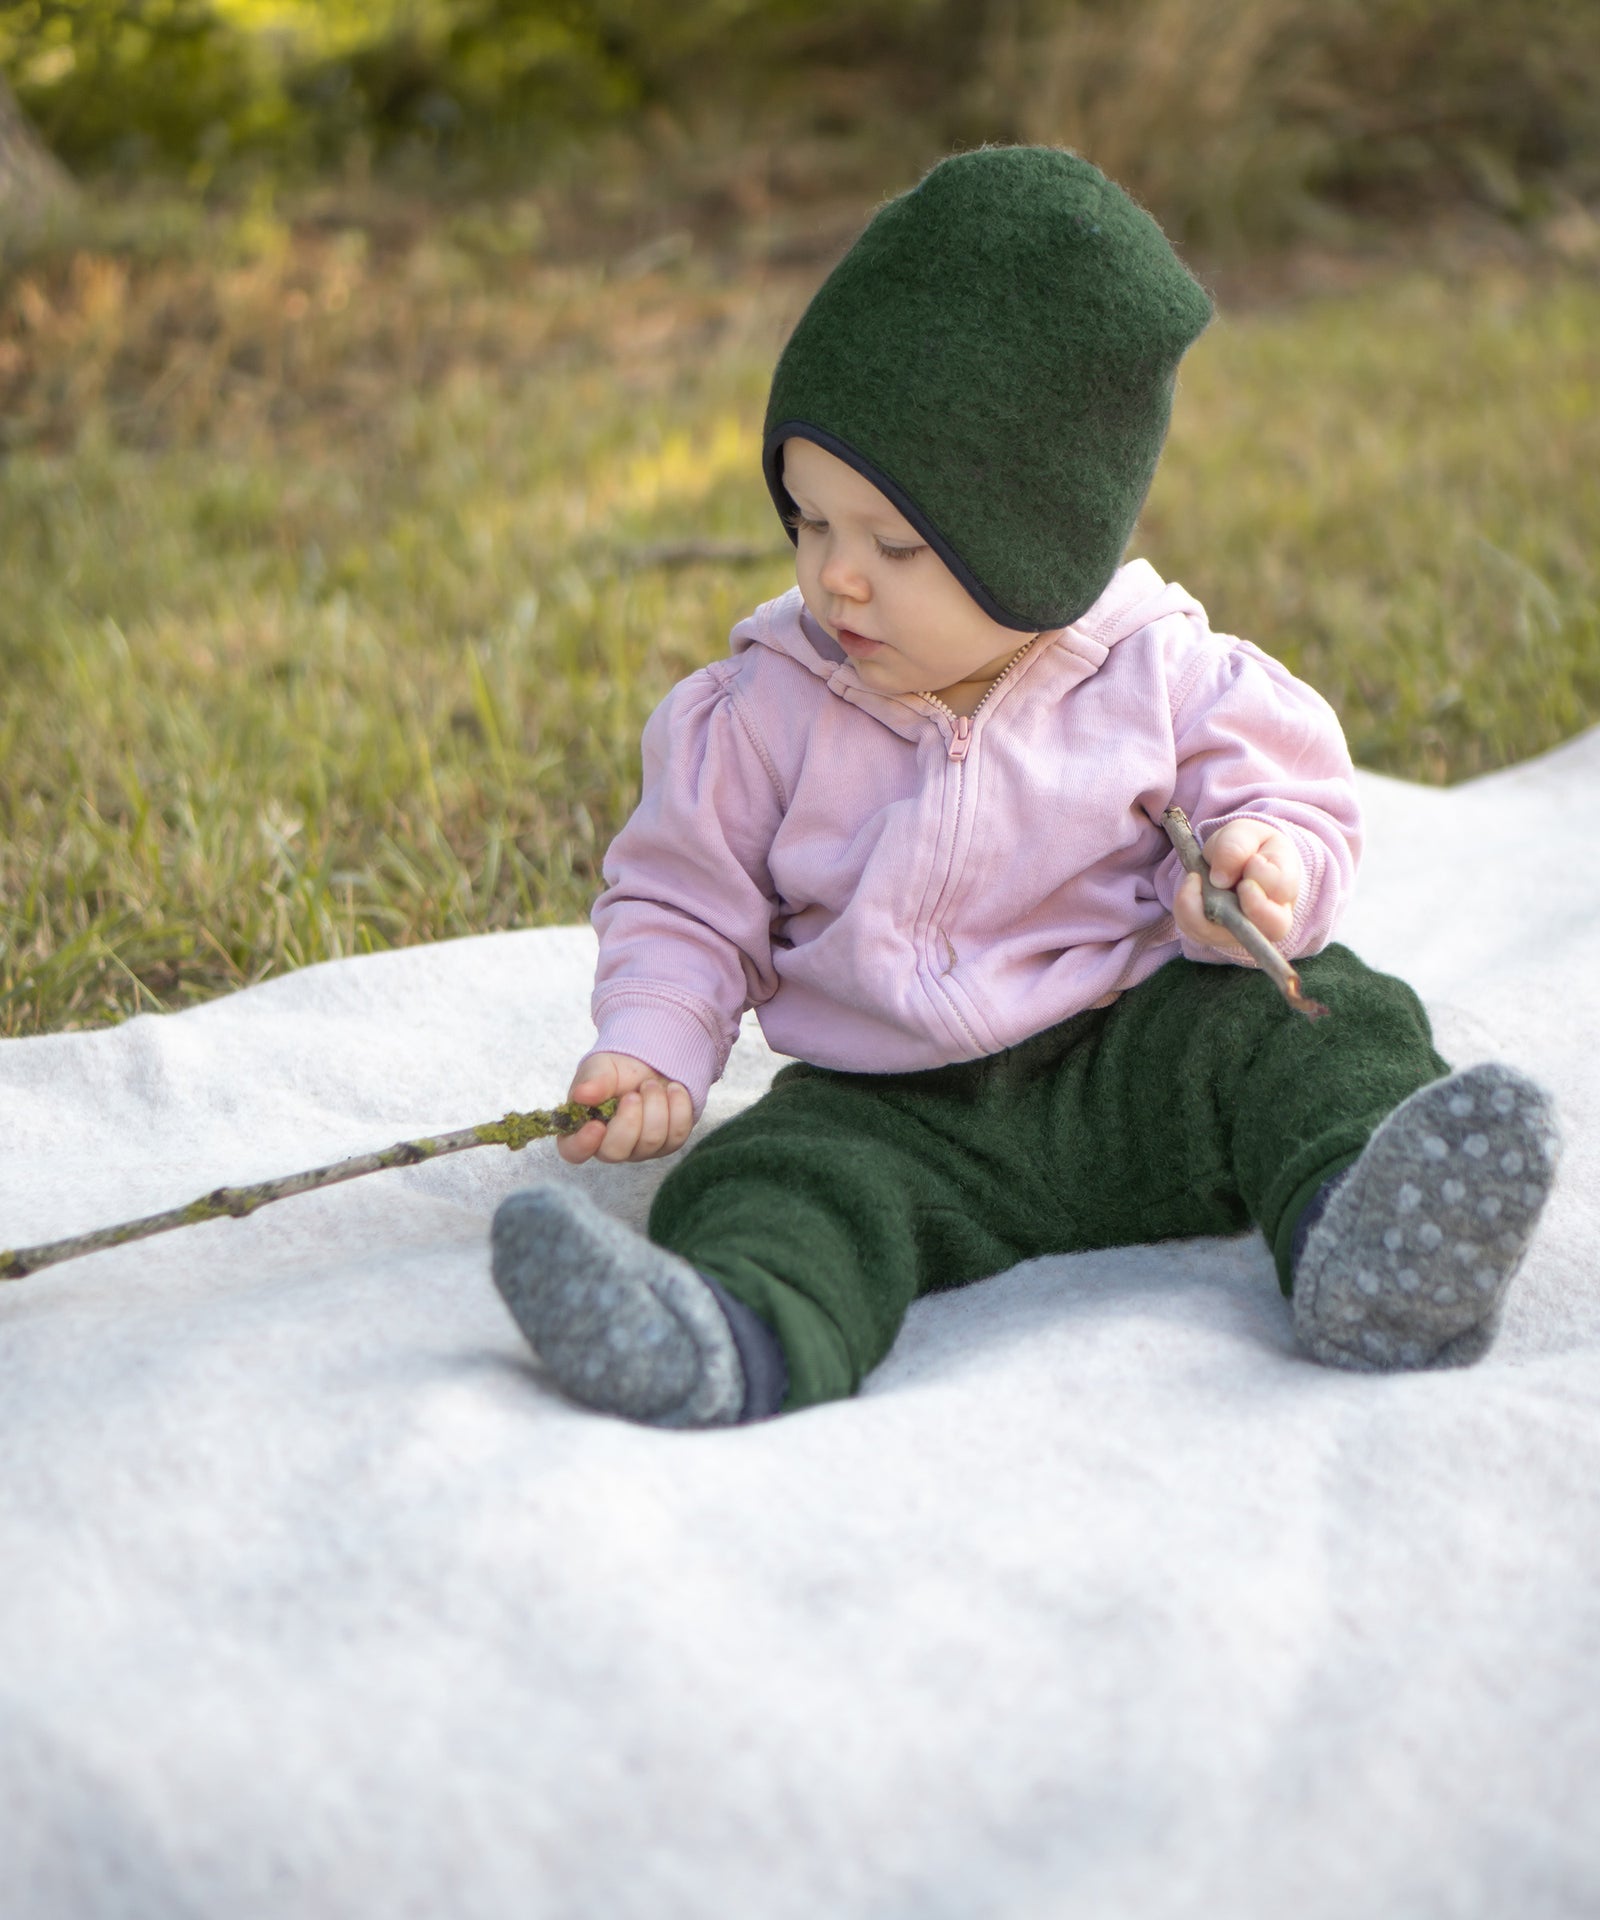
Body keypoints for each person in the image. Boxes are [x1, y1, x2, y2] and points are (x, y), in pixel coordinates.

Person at [489, 146, 1559, 1427]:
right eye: (808, 522)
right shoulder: (762, 711)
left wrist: (1257, 873)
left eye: (894, 544)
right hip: (900, 1111)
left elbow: (1295, 803)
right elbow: (680, 902)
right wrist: (652, 1045)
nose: (837, 577)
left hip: (1141, 1046)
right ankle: (726, 1334)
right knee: (770, 1173)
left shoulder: (1161, 672)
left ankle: (1374, 1247)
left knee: (1330, 1023)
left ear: (1043, 542)